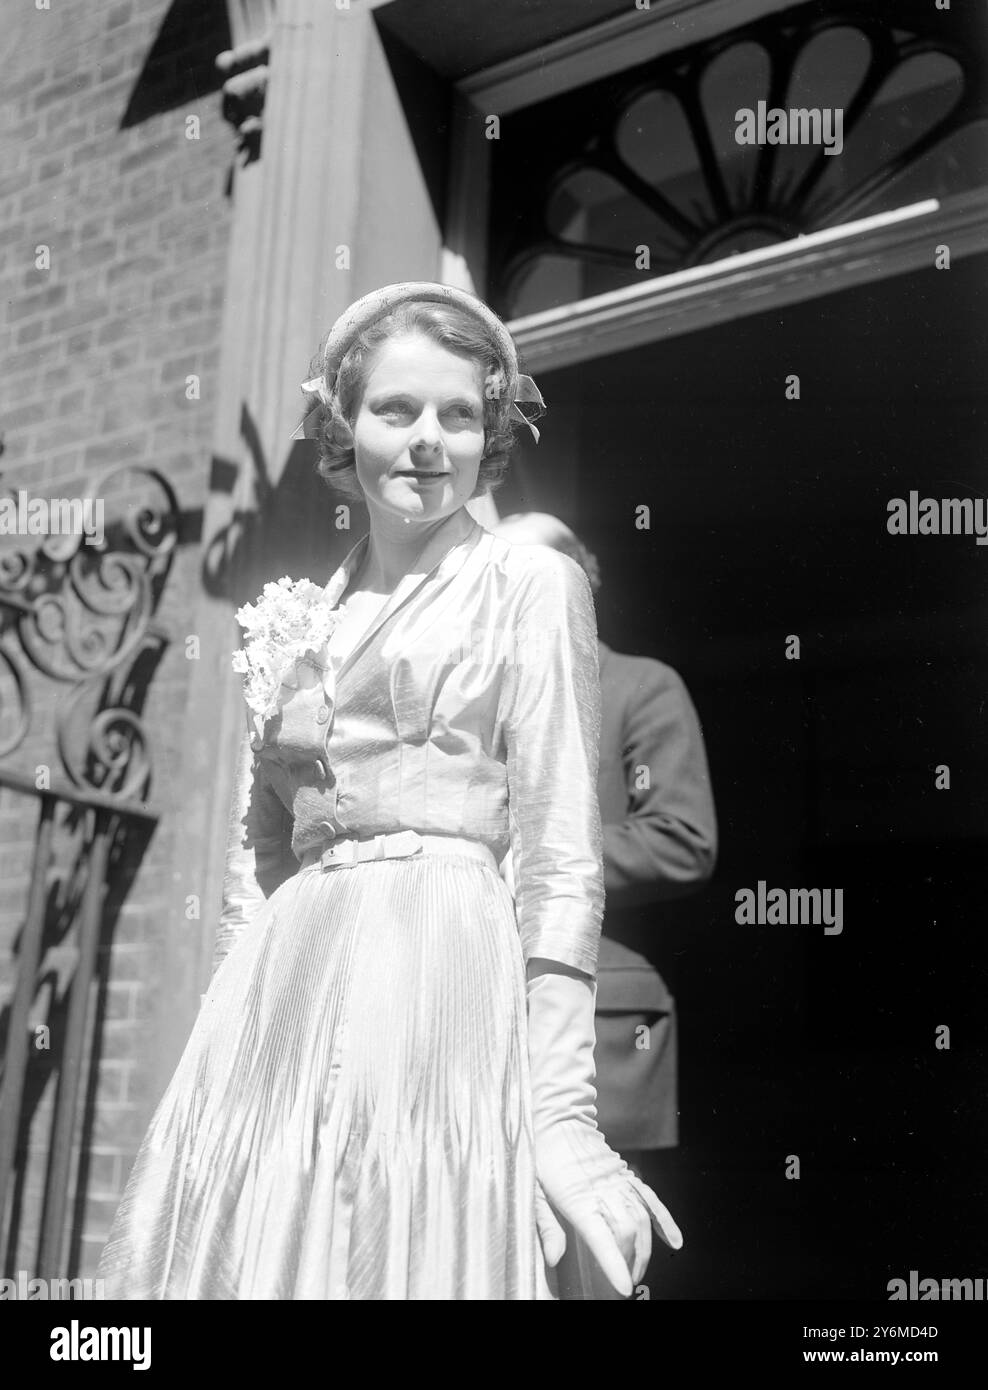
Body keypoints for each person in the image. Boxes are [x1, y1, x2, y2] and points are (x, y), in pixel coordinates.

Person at [96, 283, 681, 1301]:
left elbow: (558, 857)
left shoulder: (529, 585)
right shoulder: (292, 613)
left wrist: (560, 1113)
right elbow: (260, 850)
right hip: (285, 993)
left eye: (460, 415)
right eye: (397, 409)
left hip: (442, 972)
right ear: (343, 425)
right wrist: (243, 1017)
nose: (429, 441)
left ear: (490, 432)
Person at [495, 513, 717, 1296]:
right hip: (473, 1001)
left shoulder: (638, 686)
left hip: (598, 1028)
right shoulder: (475, 696)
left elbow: (682, 838)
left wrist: (533, 863)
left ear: (577, 587)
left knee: (599, 1269)